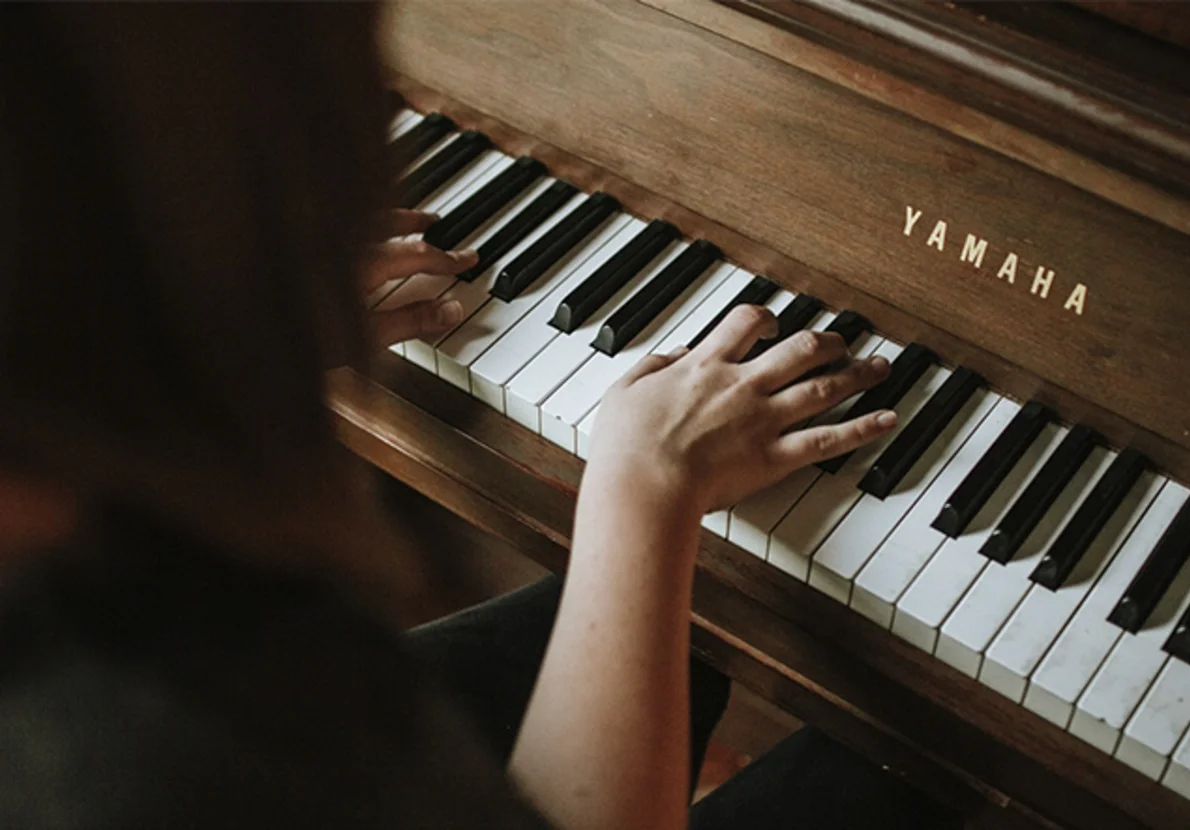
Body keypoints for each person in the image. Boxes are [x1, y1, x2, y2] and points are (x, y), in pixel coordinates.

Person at [0, 5, 959, 829]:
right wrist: (642, 487)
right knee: (908, 774)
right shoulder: (122, 756)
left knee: (705, 637)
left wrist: (214, 343)